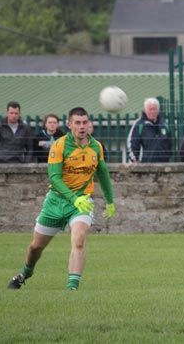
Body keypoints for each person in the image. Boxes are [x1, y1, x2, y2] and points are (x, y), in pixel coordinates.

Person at [7, 107, 115, 291]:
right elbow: (54, 178)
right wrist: (73, 198)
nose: (82, 127)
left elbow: (103, 173)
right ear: (69, 125)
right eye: (78, 123)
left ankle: (72, 288)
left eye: (85, 122)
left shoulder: (96, 146)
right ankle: (25, 272)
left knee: (79, 239)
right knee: (35, 248)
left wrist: (110, 201)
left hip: (81, 202)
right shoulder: (60, 145)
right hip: (56, 203)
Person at [127, 97, 172, 163]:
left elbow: (170, 144)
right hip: (144, 166)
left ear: (158, 110)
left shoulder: (164, 125)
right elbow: (131, 144)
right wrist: (134, 160)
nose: (152, 112)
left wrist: (168, 157)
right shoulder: (139, 125)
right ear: (145, 110)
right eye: (150, 109)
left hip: (163, 165)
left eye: (154, 109)